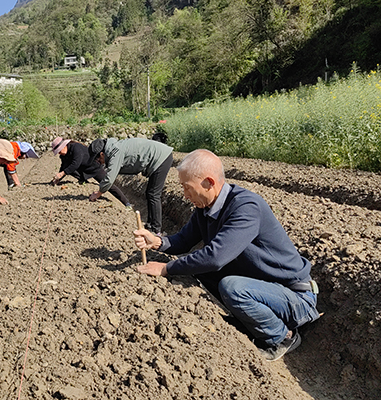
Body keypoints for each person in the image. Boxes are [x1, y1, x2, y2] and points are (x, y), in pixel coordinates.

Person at [133, 149, 320, 361]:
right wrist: (157, 242)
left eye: (187, 188)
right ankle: (249, 322)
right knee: (200, 269)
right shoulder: (205, 208)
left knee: (231, 286)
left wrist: (166, 268)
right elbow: (184, 240)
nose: (185, 195)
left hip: (294, 296)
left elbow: (215, 257)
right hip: (265, 287)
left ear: (208, 183)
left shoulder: (246, 207)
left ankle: (282, 337)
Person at [88, 137, 174, 234]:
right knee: (150, 193)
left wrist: (98, 193)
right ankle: (150, 225)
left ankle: (156, 230)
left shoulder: (116, 152)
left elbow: (109, 179)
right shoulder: (114, 148)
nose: (100, 163)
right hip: (160, 156)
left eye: (99, 160)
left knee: (153, 194)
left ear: (102, 154)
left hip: (161, 157)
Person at [51, 137, 132, 208]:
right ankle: (82, 180)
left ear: (64, 145)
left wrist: (62, 173)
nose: (59, 153)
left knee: (108, 183)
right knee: (68, 169)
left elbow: (76, 163)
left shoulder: (76, 147)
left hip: (94, 167)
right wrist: (58, 179)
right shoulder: (64, 156)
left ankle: (126, 203)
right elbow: (64, 167)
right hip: (83, 170)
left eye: (59, 151)